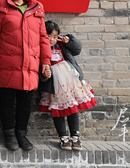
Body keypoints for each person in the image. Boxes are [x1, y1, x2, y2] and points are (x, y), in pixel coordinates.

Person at [0, 0, 51, 152]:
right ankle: (8, 134)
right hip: (6, 63)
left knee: (25, 100)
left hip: (30, 64)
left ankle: (21, 134)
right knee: (6, 99)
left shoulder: (36, 9)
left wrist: (45, 60)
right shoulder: (0, 8)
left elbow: (43, 37)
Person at [39, 21, 96, 150]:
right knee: (57, 109)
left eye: (54, 36)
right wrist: (44, 75)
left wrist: (68, 41)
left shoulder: (62, 44)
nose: (52, 39)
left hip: (70, 80)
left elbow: (77, 49)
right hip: (53, 83)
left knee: (72, 107)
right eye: (48, 36)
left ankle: (75, 136)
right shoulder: (40, 48)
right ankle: (63, 137)